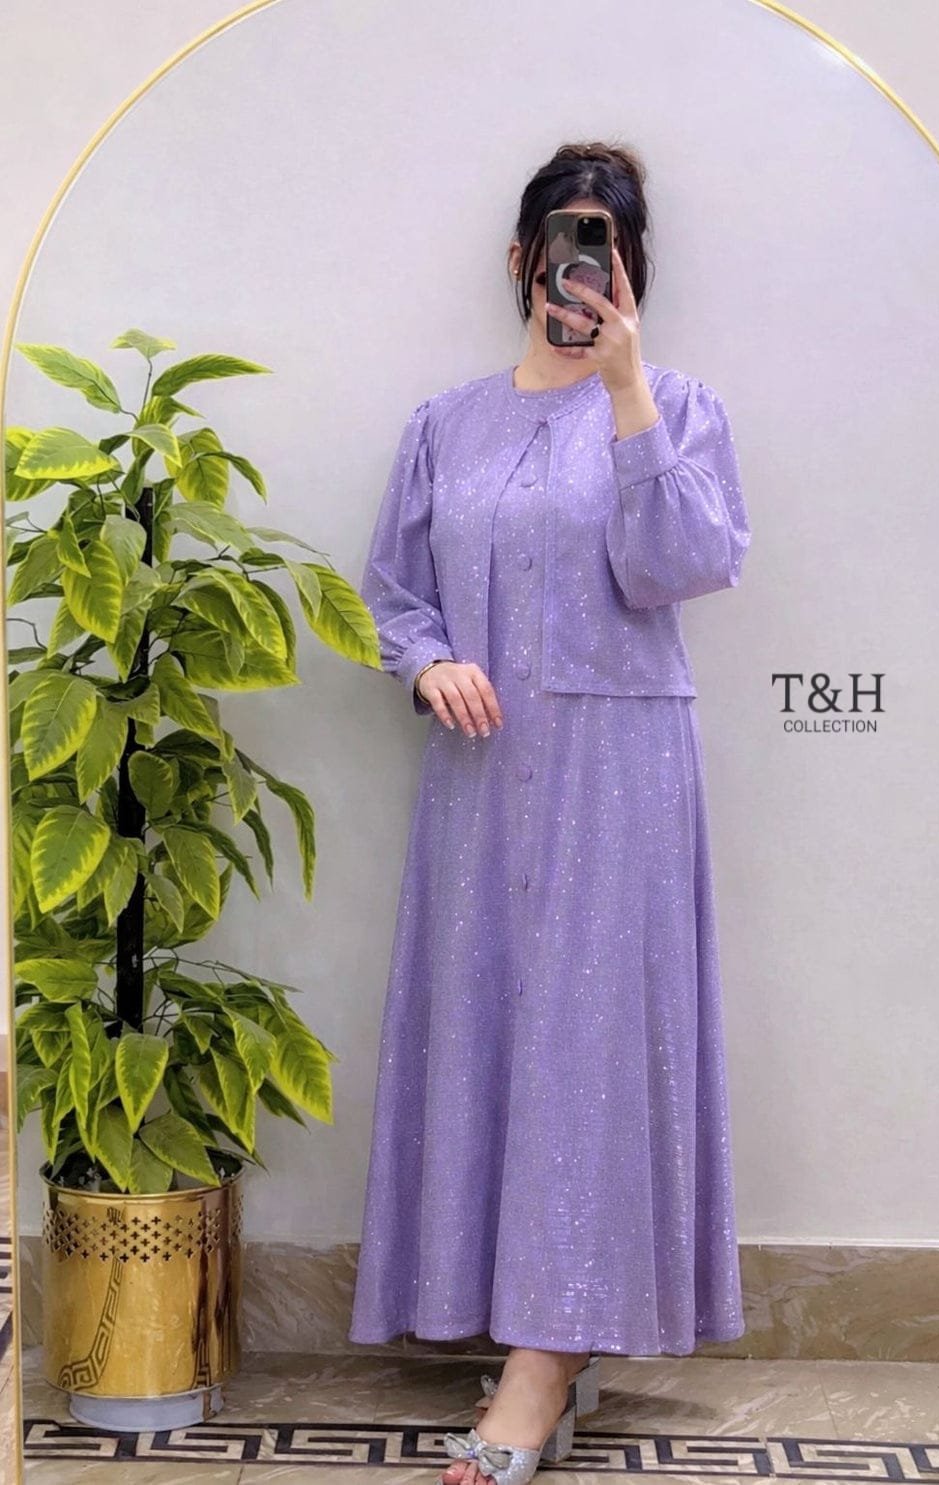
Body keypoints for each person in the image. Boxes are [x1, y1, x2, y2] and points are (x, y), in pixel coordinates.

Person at [349, 140, 752, 1485]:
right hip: (480, 779)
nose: (579, 266)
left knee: (591, 1049)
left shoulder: (677, 407)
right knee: (488, 1031)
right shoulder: (443, 424)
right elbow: (392, 589)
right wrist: (428, 661)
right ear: (522, 258)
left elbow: (681, 565)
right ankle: (530, 1323)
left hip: (619, 775)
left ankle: (544, 1364)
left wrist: (627, 388)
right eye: (562, 238)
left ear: (631, 268)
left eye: (607, 243)